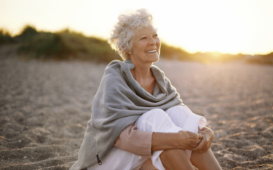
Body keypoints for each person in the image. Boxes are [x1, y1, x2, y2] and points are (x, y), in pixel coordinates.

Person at [70, 9, 221, 170]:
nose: (153, 42)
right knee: (155, 117)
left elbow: (183, 118)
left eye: (155, 35)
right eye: (143, 38)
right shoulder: (115, 78)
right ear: (126, 47)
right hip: (105, 160)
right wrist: (177, 140)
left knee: (177, 112)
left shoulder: (160, 80)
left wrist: (206, 133)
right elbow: (121, 138)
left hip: (142, 160)